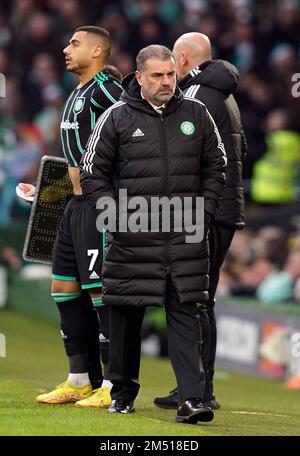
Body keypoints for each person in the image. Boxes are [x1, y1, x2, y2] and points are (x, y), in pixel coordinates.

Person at [80, 44, 226, 423]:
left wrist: (204, 212)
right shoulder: (116, 117)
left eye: (170, 75)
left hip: (184, 234)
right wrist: (114, 217)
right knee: (127, 316)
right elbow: (93, 172)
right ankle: (123, 393)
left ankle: (191, 399)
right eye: (157, 76)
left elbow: (217, 167)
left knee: (185, 314)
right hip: (133, 235)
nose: (166, 82)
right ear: (140, 76)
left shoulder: (198, 113)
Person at [18, 26, 122, 407]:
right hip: (73, 205)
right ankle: (79, 379)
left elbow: (133, 127)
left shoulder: (107, 89)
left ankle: (114, 384)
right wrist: (48, 192)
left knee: (101, 291)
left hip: (100, 205)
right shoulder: (77, 91)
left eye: (74, 44)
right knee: (63, 287)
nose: (66, 49)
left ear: (97, 51)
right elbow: (77, 160)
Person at [154, 32, 247, 410]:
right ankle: (196, 384)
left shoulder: (198, 95)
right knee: (200, 297)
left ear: (181, 58)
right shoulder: (223, 93)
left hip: (206, 209)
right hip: (223, 207)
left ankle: (200, 388)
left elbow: (185, 155)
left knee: (194, 298)